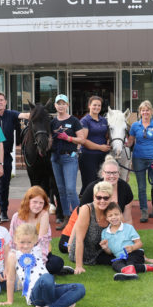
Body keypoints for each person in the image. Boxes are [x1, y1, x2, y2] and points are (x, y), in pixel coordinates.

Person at [1, 223, 86, 307]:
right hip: (35, 294)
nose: (25, 246)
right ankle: (64, 303)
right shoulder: (13, 256)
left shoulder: (38, 250)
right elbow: (11, 279)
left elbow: (44, 226)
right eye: (22, 242)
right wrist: (9, 300)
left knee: (80, 288)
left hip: (51, 287)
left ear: (35, 241)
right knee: (47, 278)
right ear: (15, 240)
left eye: (29, 242)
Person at [9, 185, 74, 276]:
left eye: (41, 203)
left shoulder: (44, 215)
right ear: (28, 201)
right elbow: (11, 239)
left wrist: (40, 264)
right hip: (21, 252)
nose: (38, 205)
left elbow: (42, 243)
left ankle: (47, 270)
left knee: (57, 263)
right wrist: (13, 256)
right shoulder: (17, 216)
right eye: (35, 202)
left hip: (39, 253)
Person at [100, 201, 153, 281]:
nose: (114, 217)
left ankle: (129, 273)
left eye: (116, 214)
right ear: (106, 218)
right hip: (121, 257)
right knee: (115, 264)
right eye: (110, 215)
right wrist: (105, 248)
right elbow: (110, 252)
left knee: (130, 261)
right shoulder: (104, 233)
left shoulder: (128, 228)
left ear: (121, 215)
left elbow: (139, 243)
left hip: (135, 253)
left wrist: (132, 247)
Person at [127, 100, 153, 224]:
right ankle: (144, 211)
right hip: (138, 159)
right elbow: (130, 142)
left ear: (151, 112)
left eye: (147, 110)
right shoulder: (134, 126)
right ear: (140, 112)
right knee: (142, 187)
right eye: (143, 110)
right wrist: (122, 143)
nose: (145, 112)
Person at [50, 94, 85, 230]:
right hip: (55, 158)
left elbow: (81, 139)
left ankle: (79, 218)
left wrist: (68, 138)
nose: (61, 106)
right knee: (61, 190)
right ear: (55, 106)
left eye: (63, 103)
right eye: (58, 103)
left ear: (67, 105)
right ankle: (66, 216)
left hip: (69, 158)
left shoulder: (74, 120)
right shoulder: (52, 122)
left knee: (71, 189)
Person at [0, 92, 22, 222]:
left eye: (1, 100)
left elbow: (24, 115)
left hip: (7, 156)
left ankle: (3, 211)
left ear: (6, 102)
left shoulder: (11, 114)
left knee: (5, 185)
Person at [69, 181, 112, 273]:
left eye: (106, 198)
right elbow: (79, 240)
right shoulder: (86, 209)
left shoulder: (112, 209)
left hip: (102, 250)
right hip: (86, 253)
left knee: (127, 255)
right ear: (94, 197)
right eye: (99, 197)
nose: (102, 201)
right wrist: (79, 266)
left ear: (110, 198)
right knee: (117, 260)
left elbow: (124, 231)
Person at [78, 95, 111, 194]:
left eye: (99, 105)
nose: (97, 107)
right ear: (89, 106)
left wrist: (109, 140)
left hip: (103, 157)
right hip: (88, 156)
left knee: (101, 183)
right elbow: (83, 140)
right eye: (94, 105)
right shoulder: (85, 121)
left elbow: (106, 135)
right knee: (90, 184)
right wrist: (100, 147)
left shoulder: (104, 120)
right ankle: (84, 206)